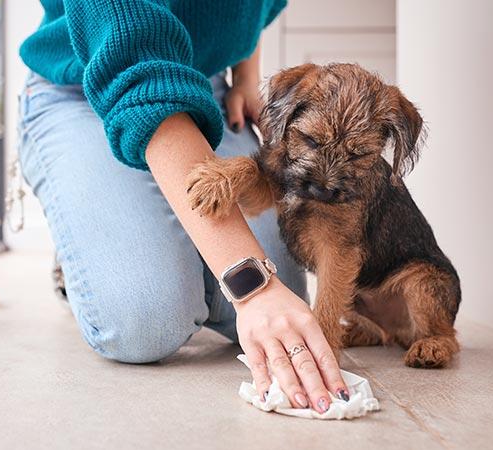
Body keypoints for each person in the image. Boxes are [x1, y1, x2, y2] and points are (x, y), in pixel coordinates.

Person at [18, 0, 349, 414]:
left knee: (274, 303)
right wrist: (252, 288)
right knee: (147, 322)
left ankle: (132, 222)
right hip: (87, 83)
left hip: (203, 83)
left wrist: (245, 77)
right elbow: (136, 59)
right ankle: (85, 232)